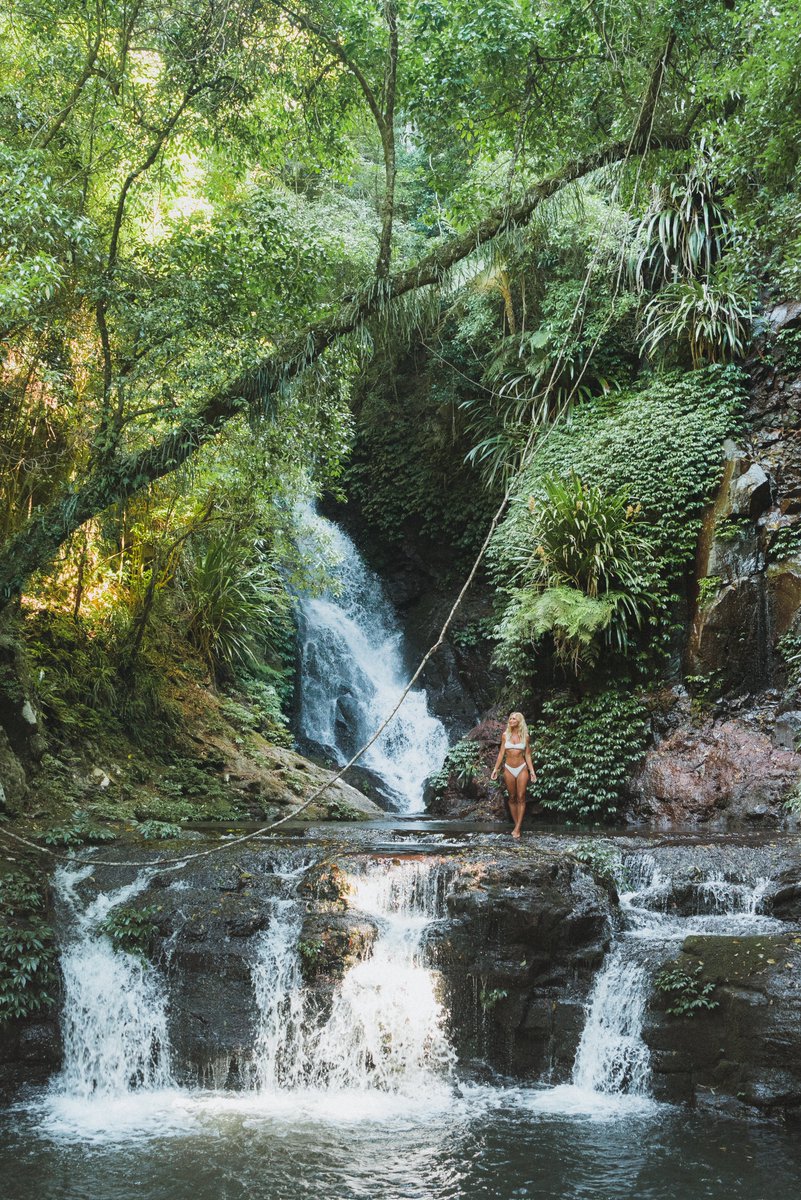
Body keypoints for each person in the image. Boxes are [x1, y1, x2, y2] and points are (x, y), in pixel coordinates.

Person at [490, 711, 536, 839]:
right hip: (509, 768)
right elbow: (501, 754)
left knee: (521, 796)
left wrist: (532, 771)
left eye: (514, 719)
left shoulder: (525, 736)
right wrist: (495, 769)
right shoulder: (505, 735)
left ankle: (517, 828)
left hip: (522, 768)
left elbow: (527, 754)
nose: (511, 721)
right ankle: (517, 825)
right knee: (512, 797)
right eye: (510, 719)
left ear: (519, 721)